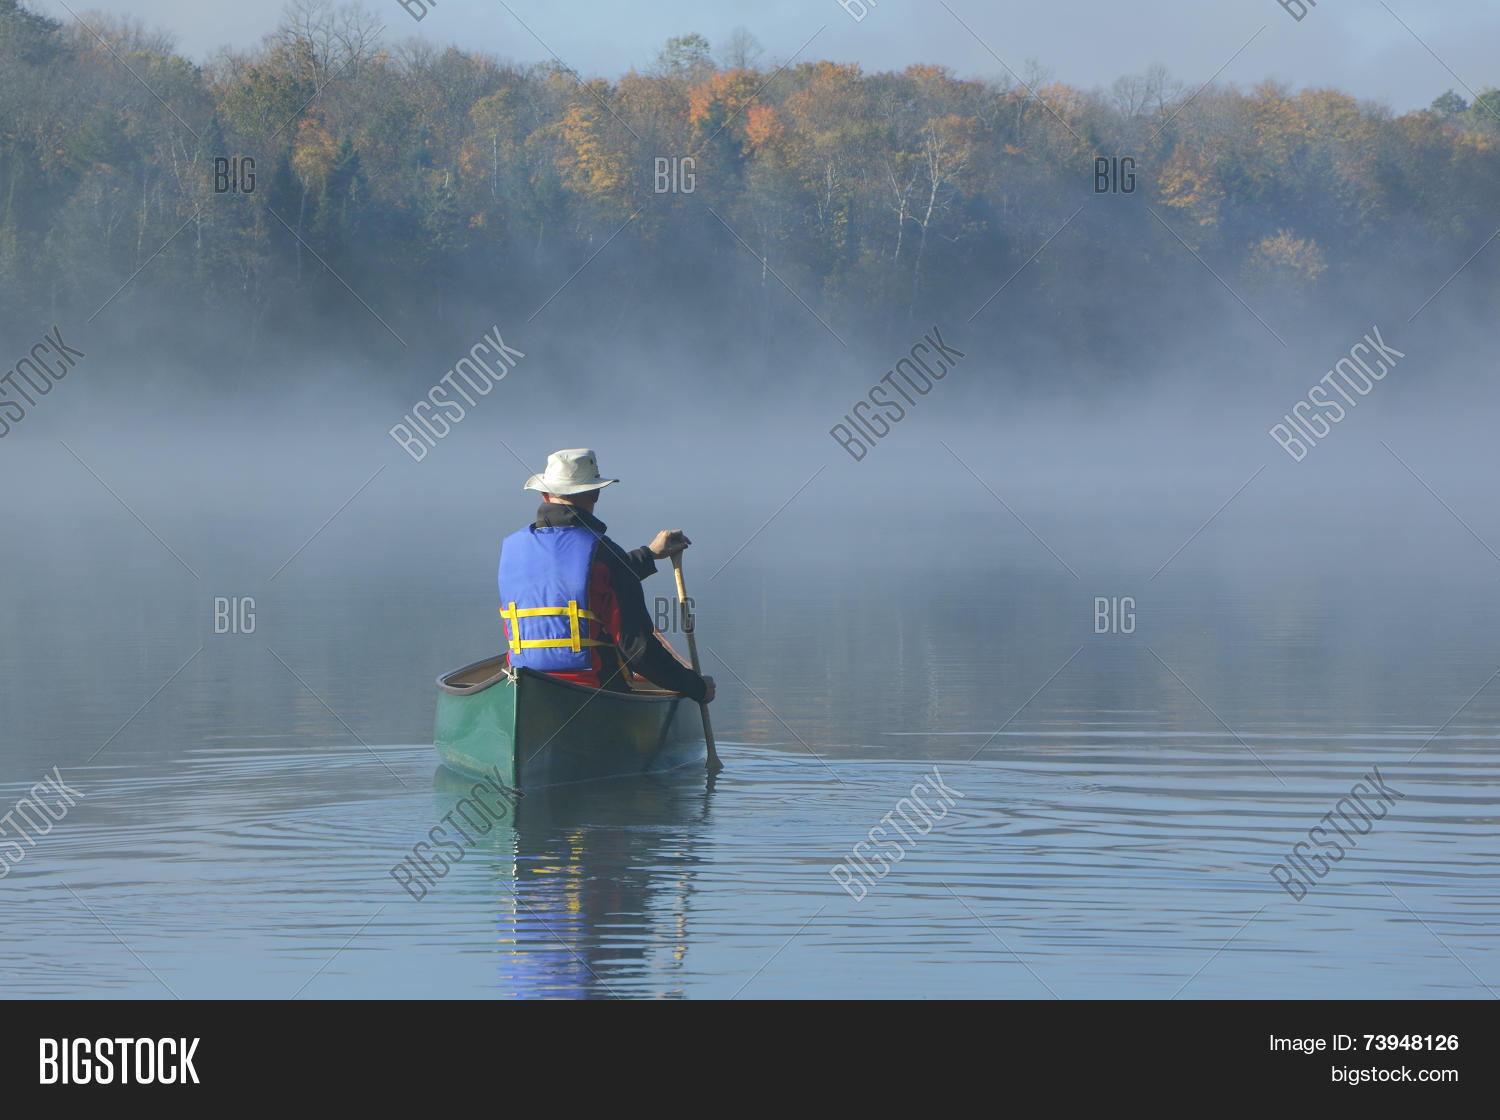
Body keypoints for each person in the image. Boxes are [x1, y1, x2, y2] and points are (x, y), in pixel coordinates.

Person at [496, 448, 715, 704]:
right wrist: (695, 686)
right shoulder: (604, 554)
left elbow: (579, 580)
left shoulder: (511, 549)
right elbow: (639, 650)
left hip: (523, 686)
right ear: (595, 493)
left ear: (545, 494)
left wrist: (648, 554)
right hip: (594, 692)